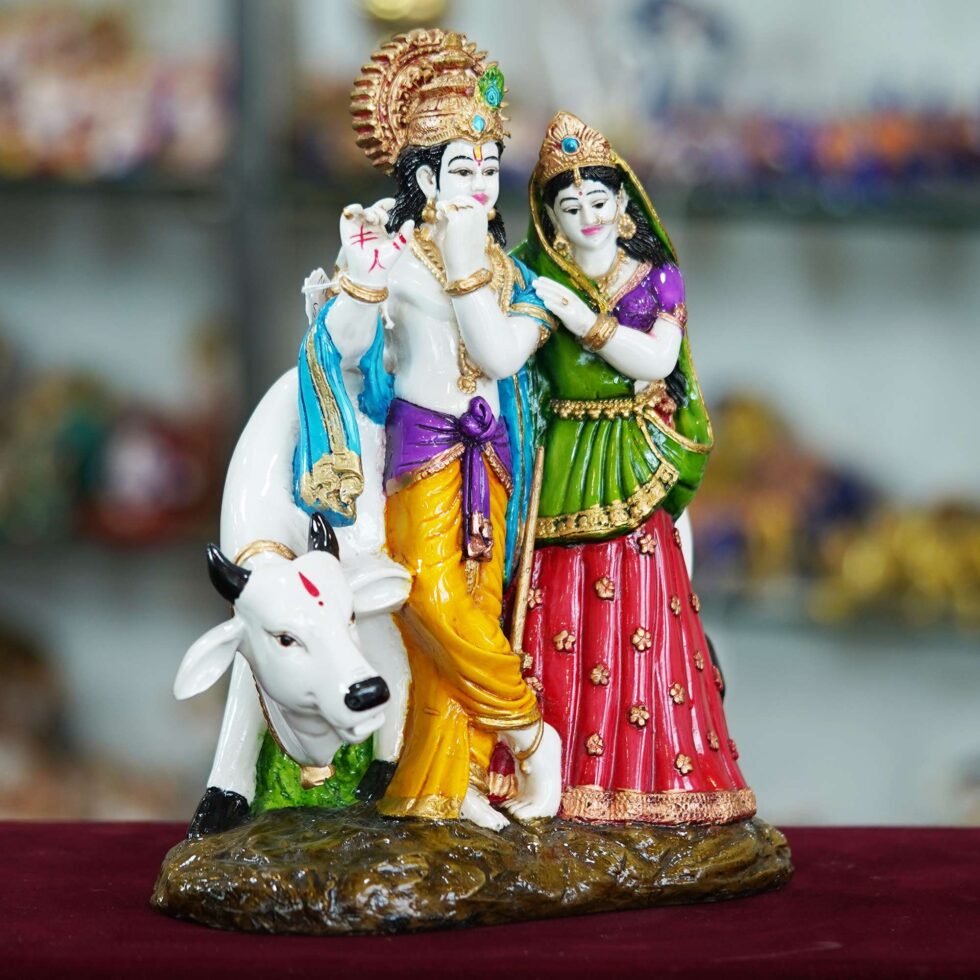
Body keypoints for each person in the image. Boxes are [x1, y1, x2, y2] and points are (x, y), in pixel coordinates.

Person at [301, 30, 560, 827]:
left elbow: (502, 356)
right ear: (423, 178)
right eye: (461, 171)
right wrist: (360, 280)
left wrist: (488, 273)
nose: (479, 186)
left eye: (488, 170)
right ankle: (532, 734)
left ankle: (452, 784)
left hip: (496, 449)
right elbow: (345, 348)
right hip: (423, 445)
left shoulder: (506, 268)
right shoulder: (398, 255)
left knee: (475, 607)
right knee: (429, 597)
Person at [511, 112, 755, 824]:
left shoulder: (656, 279)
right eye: (570, 206)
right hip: (561, 452)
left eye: (598, 201)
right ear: (551, 219)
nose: (587, 217)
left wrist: (580, 318)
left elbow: (655, 360)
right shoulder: (534, 274)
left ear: (623, 204)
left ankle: (648, 775)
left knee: (642, 595)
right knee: (552, 598)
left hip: (632, 449)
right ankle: (542, 774)